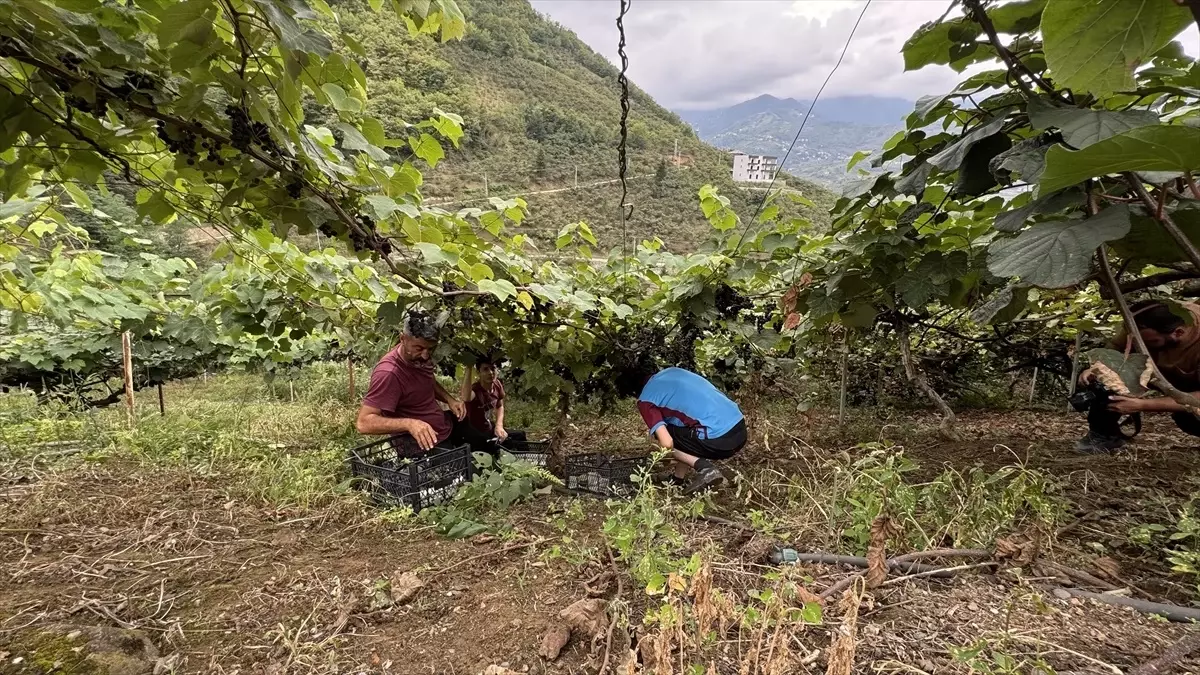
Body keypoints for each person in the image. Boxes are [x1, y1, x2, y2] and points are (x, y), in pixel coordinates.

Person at [355, 313, 493, 455]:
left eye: (431, 349)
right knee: (466, 472)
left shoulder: (419, 357)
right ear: (402, 338)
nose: (426, 355)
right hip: (423, 443)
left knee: (487, 447)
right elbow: (364, 423)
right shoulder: (389, 374)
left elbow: (427, 380)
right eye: (419, 348)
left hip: (445, 426)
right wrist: (409, 424)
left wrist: (449, 400)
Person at [1077, 300, 1200, 452]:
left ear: (1178, 333)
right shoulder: (1142, 320)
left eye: (1151, 342)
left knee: (1190, 418)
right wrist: (1097, 368)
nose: (1143, 345)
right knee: (1101, 380)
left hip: (1192, 385)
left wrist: (1143, 405)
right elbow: (1115, 349)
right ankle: (1104, 435)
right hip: (1153, 370)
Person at [622, 365, 748, 494]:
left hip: (718, 439)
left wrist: (665, 456)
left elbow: (667, 443)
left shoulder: (646, 400)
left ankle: (706, 469)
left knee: (662, 435)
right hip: (740, 429)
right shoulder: (672, 371)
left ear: (632, 392)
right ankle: (677, 479)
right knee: (683, 429)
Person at [460, 356, 527, 446]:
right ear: (478, 372)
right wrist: (469, 367)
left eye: (493, 368)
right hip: (475, 434)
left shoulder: (497, 384)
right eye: (485, 369)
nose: (490, 373)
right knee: (494, 447)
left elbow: (500, 406)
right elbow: (465, 397)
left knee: (520, 436)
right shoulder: (475, 390)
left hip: (489, 429)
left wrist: (499, 425)